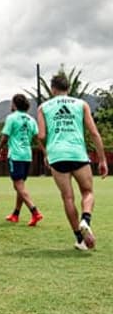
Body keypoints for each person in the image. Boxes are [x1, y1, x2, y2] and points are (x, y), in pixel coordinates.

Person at [37, 74, 108, 250]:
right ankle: (86, 219)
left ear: (52, 89)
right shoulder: (81, 104)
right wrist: (102, 159)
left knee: (68, 197)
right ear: (68, 87)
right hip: (78, 153)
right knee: (87, 192)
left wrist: (47, 152)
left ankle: (79, 238)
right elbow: (94, 133)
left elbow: (41, 135)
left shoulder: (43, 107)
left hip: (57, 156)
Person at [0, 94, 44, 226]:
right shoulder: (31, 119)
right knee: (20, 186)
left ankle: (35, 212)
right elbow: (38, 139)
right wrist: (45, 153)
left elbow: (5, 136)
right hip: (27, 156)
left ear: (15, 104)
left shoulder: (11, 118)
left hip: (16, 155)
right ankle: (15, 214)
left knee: (18, 186)